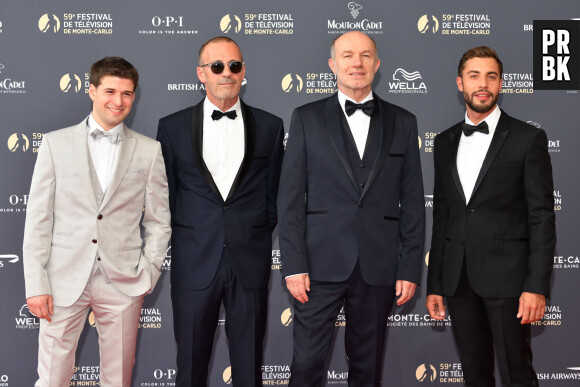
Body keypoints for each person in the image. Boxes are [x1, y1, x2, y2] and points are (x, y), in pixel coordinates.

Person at [278, 31, 425, 386]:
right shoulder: (306, 117)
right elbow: (290, 199)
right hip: (317, 268)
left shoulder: (403, 121)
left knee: (367, 368)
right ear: (333, 65)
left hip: (378, 267)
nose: (356, 63)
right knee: (307, 364)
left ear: (377, 64)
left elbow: (414, 202)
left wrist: (409, 267)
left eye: (364, 55)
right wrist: (294, 264)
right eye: (347, 55)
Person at [23, 56, 171, 387]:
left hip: (123, 281)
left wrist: (148, 272)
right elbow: (38, 220)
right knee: (51, 378)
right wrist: (36, 284)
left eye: (127, 94)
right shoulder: (54, 144)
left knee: (118, 379)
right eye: (110, 91)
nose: (118, 101)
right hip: (62, 280)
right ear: (91, 90)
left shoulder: (149, 151)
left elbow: (160, 221)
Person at [156, 36, 284, 386]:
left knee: (249, 370)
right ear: (201, 73)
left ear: (244, 71)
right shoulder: (172, 127)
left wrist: (252, 233)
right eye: (217, 66)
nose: (226, 73)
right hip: (194, 266)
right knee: (191, 369)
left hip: (249, 264)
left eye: (234, 66)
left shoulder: (271, 127)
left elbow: (275, 197)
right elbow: (165, 196)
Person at [426, 46, 556, 386]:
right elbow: (442, 216)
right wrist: (436, 284)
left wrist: (536, 286)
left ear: (500, 84)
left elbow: (541, 216)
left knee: (517, 374)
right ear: (460, 83)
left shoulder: (529, 139)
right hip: (458, 280)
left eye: (491, 76)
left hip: (510, 282)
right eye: (474, 76)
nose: (482, 84)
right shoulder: (443, 142)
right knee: (474, 374)